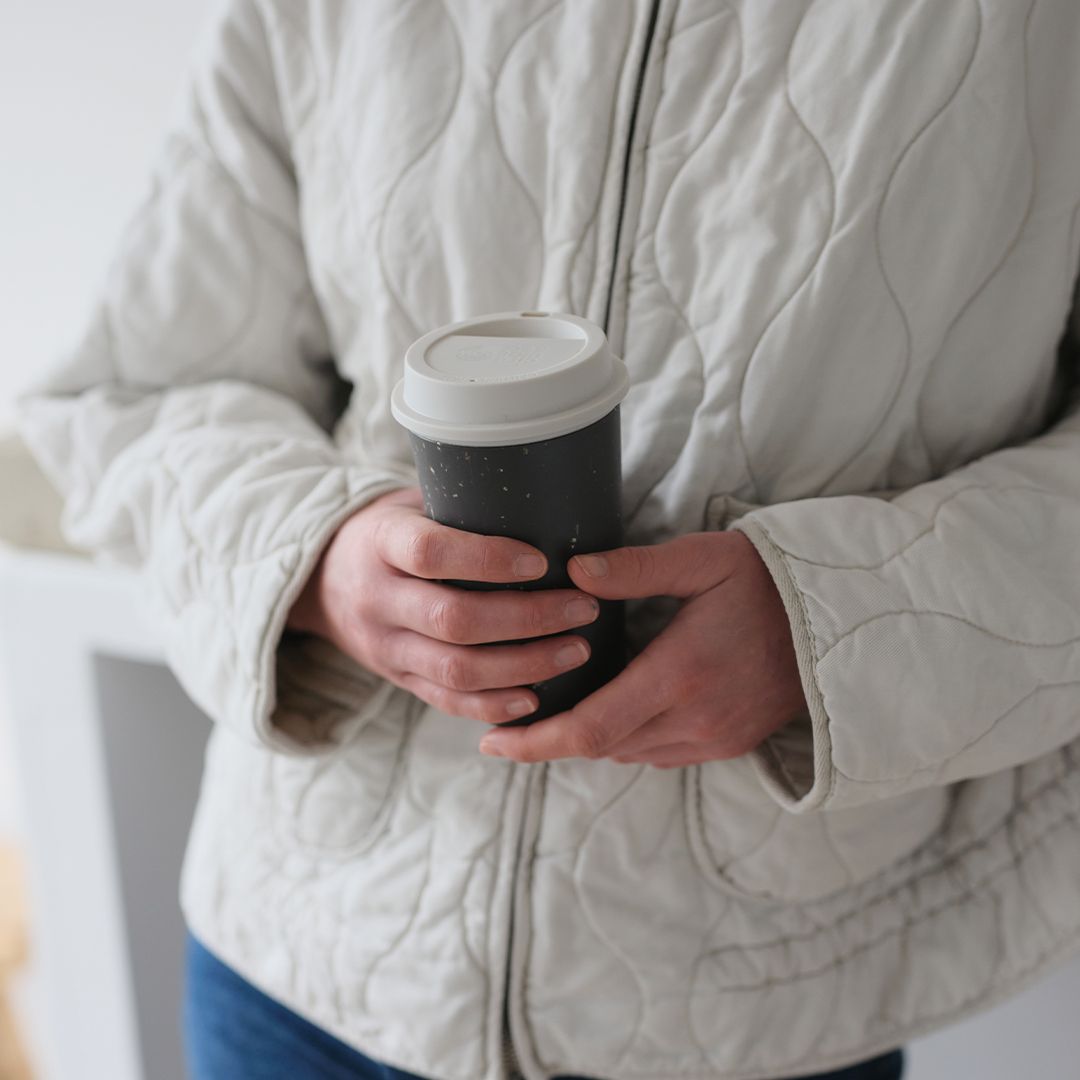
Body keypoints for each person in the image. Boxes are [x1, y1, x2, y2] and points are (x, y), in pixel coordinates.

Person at [18, 1, 1080, 1078]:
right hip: (305, 968)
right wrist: (322, 561)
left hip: (760, 997)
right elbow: (141, 389)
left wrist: (837, 628)